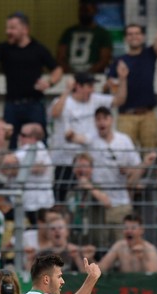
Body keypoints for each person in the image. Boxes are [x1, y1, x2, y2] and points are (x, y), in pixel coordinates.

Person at [0, 12, 62, 149]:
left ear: (25, 29)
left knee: (38, 143)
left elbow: (57, 70)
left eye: (12, 28)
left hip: (34, 104)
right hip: (12, 105)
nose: (8, 32)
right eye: (7, 28)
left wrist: (49, 82)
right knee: (11, 143)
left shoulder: (38, 49)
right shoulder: (4, 48)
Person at [50, 66, 127, 200]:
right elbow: (55, 113)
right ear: (78, 86)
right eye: (89, 86)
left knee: (89, 199)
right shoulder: (63, 101)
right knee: (62, 199)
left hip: (88, 162)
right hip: (65, 161)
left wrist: (123, 79)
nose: (92, 90)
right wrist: (67, 90)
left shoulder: (96, 99)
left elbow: (118, 100)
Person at [105, 0, 157, 150]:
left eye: (137, 33)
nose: (134, 37)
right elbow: (111, 90)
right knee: (124, 154)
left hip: (148, 114)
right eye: (130, 34)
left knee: (151, 154)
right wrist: (119, 79)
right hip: (125, 116)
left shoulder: (150, 54)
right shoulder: (118, 62)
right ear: (126, 39)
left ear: (143, 37)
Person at [88, 106, 142, 246]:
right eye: (98, 119)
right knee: (100, 245)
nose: (101, 122)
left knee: (122, 245)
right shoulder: (90, 142)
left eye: (104, 118)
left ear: (111, 120)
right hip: (98, 204)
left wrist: (128, 170)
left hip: (121, 203)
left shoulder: (124, 140)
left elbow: (137, 166)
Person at [57, 0, 113, 74]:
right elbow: (60, 57)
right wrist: (70, 73)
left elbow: (105, 59)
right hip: (69, 77)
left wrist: (88, 73)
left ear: (95, 10)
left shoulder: (102, 34)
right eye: (81, 10)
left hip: (94, 77)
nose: (83, 14)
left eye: (87, 11)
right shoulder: (69, 32)